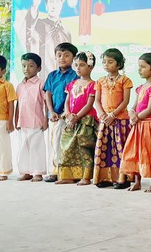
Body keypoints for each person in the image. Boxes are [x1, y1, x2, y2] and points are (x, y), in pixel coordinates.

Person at [120, 52, 151, 192]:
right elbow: (134, 106)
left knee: (149, 152)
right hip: (138, 125)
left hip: (149, 125)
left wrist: (136, 117)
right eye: (139, 66)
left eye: (143, 67)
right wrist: (132, 113)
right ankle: (137, 181)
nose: (139, 69)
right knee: (135, 152)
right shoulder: (140, 88)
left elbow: (150, 109)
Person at [93, 48, 133, 188]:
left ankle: (122, 178)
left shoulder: (125, 80)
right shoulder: (100, 81)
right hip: (104, 120)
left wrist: (113, 115)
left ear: (119, 64)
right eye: (104, 62)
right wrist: (102, 115)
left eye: (110, 62)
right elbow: (97, 100)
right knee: (105, 149)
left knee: (119, 148)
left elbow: (125, 101)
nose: (106, 64)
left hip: (120, 120)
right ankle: (105, 177)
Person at [57, 51, 98, 185]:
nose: (78, 68)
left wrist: (77, 117)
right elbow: (67, 101)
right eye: (76, 65)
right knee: (67, 148)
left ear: (90, 67)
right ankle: (68, 175)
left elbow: (89, 104)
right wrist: (68, 114)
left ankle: (86, 177)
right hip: (71, 120)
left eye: (82, 65)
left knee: (84, 148)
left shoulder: (93, 85)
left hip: (85, 120)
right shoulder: (72, 84)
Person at [43, 42, 79, 182]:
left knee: (68, 145)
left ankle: (68, 172)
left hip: (68, 116)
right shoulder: (52, 75)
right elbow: (48, 94)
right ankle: (55, 171)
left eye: (66, 55)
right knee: (55, 144)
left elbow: (75, 97)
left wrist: (66, 113)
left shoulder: (75, 76)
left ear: (73, 58)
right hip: (55, 116)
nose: (62, 58)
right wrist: (51, 111)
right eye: (59, 55)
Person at [24, 0, 72, 76]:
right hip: (43, 79)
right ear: (46, 5)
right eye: (51, 2)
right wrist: (35, 6)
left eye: (57, 2)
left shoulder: (66, 33)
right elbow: (28, 30)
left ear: (61, 5)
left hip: (64, 81)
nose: (54, 6)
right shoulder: (38, 25)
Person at [15, 53, 48, 182]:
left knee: (36, 147)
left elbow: (46, 103)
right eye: (24, 66)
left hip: (36, 121)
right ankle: (25, 171)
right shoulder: (20, 86)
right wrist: (16, 119)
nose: (26, 69)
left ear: (38, 68)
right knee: (23, 147)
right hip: (23, 122)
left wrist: (45, 120)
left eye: (31, 66)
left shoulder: (41, 84)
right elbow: (18, 104)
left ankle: (37, 172)